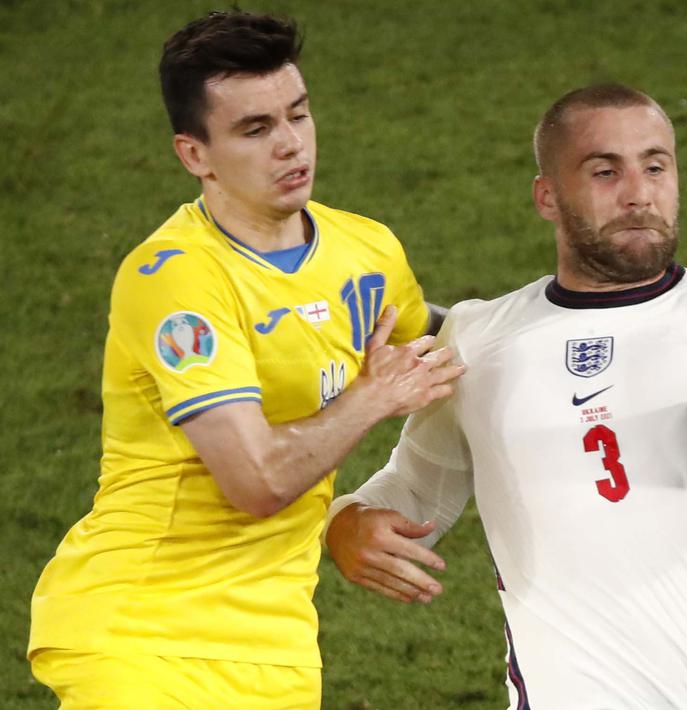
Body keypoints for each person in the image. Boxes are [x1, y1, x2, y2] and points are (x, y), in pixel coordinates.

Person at [325, 84, 687, 709]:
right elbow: (416, 492)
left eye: (656, 166)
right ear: (547, 197)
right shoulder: (479, 338)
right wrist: (347, 525)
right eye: (606, 171)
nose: (639, 193)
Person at [27, 10, 463, 708]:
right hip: (145, 634)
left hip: (276, 651)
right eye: (255, 130)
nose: (290, 146)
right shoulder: (177, 281)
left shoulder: (365, 250)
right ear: (194, 154)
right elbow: (255, 481)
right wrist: (371, 398)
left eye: (298, 115)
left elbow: (446, 345)